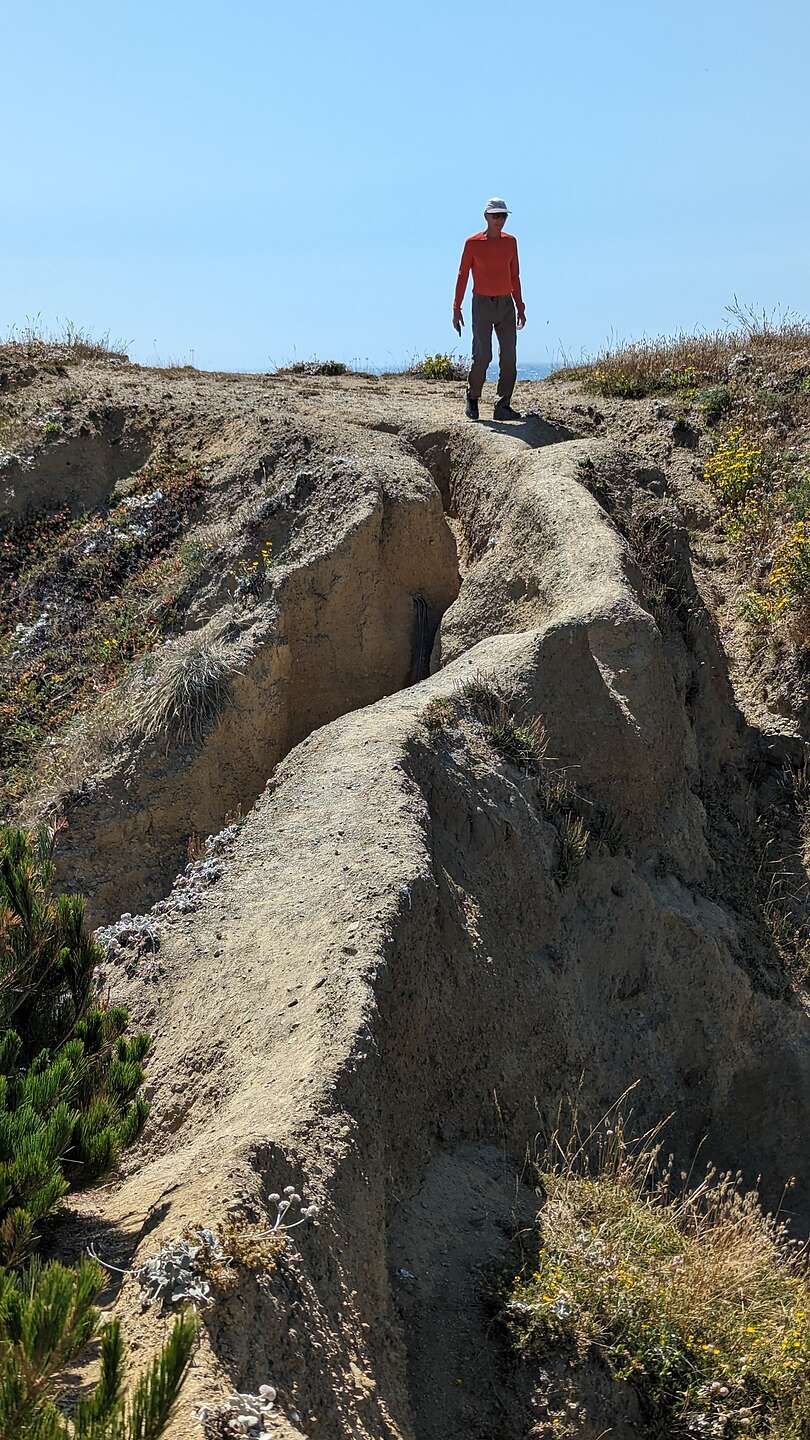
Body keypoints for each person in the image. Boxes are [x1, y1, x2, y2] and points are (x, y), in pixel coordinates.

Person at [452, 197, 526, 422]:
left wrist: (520, 306)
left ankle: (502, 405)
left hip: (506, 304)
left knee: (509, 357)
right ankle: (472, 397)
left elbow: (515, 275)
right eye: (495, 215)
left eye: (503, 215)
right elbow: (462, 275)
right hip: (482, 303)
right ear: (486, 216)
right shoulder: (472, 243)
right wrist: (457, 308)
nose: (499, 220)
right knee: (482, 356)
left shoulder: (511, 242)